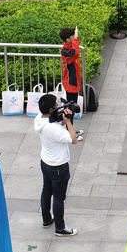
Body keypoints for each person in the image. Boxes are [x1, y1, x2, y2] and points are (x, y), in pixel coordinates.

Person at [34, 93, 79, 237]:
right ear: (52, 109)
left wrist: (63, 121)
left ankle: (46, 219)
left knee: (46, 191)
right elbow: (73, 139)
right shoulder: (54, 130)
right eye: (57, 104)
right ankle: (60, 228)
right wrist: (69, 122)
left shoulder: (39, 119)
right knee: (59, 198)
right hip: (58, 166)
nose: (59, 106)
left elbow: (57, 125)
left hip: (45, 162)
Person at [59, 27, 82, 106]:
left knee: (72, 105)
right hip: (70, 81)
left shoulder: (70, 48)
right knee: (71, 106)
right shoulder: (65, 51)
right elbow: (75, 54)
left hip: (73, 80)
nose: (75, 36)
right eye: (73, 35)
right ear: (68, 39)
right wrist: (75, 40)